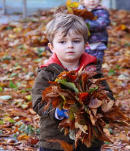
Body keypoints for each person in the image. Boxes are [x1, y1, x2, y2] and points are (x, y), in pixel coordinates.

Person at [31, 13, 115, 151]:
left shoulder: (92, 70)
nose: (70, 46)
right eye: (62, 42)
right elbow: (38, 101)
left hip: (88, 138)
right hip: (56, 139)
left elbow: (108, 96)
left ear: (85, 45)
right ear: (52, 47)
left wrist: (97, 105)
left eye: (76, 41)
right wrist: (57, 112)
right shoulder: (47, 73)